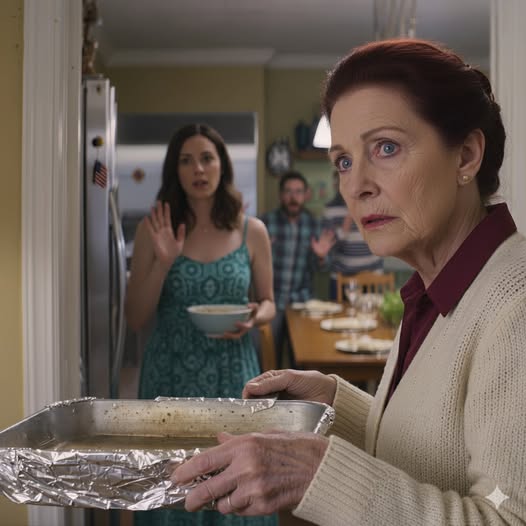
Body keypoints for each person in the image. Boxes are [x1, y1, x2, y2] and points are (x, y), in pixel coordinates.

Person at [170, 39, 526, 525]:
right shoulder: (437, 290)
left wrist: (317, 473)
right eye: (343, 161)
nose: (355, 186)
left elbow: (507, 518)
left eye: (386, 148)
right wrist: (338, 405)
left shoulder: (516, 304)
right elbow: (441, 448)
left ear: (466, 155)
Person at [125, 123, 277, 526]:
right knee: (173, 487)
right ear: (174, 171)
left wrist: (254, 318)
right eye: (186, 160)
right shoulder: (152, 230)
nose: (198, 169)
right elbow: (136, 317)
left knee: (235, 484)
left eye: (207, 158)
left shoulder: (252, 231)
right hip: (170, 376)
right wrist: (164, 261)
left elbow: (269, 303)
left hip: (233, 373)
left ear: (222, 166)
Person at [259, 170, 335, 367]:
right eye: (288, 191)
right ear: (280, 195)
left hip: (301, 304)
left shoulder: (314, 225)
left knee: (300, 364)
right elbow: (250, 265)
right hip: (271, 303)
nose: (293, 197)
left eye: (298, 192)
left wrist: (321, 257)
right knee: (267, 362)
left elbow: (322, 268)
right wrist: (259, 253)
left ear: (306, 195)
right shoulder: (265, 223)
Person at [322, 170, 383, 299]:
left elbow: (382, 239)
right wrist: (345, 227)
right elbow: (329, 249)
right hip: (341, 278)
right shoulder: (330, 210)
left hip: (371, 276)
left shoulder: (374, 206)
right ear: (336, 186)